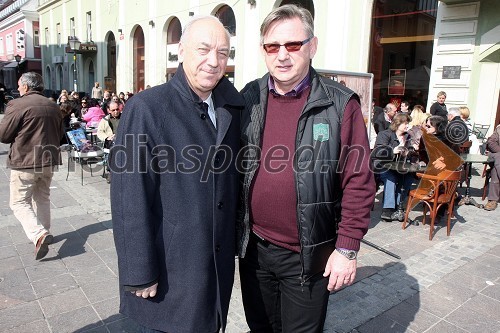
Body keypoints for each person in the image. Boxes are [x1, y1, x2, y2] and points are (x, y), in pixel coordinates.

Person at [237, 5, 375, 332]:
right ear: (263, 51)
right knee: (261, 328)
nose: (282, 55)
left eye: (293, 45)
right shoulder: (248, 97)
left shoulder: (340, 104)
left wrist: (347, 248)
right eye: (273, 46)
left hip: (308, 256)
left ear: (312, 46)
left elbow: (359, 182)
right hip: (254, 250)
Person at [109, 15, 243, 332]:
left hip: (213, 265)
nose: (213, 61)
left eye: (222, 53)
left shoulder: (230, 107)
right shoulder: (147, 108)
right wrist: (139, 270)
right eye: (204, 49)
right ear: (181, 51)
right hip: (170, 269)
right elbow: (130, 195)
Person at [0, 72, 63, 260]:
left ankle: (39, 234)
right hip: (48, 159)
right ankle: (44, 232)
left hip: (26, 160)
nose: (18, 89)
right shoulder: (53, 105)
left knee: (18, 202)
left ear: (26, 87)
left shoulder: (17, 104)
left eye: (19, 86)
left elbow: (4, 135)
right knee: (42, 197)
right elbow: (60, 135)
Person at [373, 113, 414, 221]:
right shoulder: (384, 134)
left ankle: (398, 206)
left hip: (398, 166)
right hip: (382, 165)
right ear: (397, 123)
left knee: (409, 177)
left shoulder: (408, 136)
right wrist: (393, 150)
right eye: (405, 123)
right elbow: (379, 151)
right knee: (391, 177)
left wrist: (409, 152)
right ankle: (388, 210)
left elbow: (410, 152)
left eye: (407, 123)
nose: (407, 126)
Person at [484, 124, 500, 211]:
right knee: (498, 159)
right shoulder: (499, 130)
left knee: (495, 169)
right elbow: (491, 142)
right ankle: (493, 200)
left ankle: (493, 199)